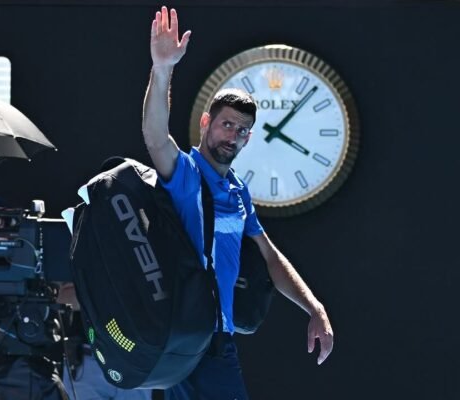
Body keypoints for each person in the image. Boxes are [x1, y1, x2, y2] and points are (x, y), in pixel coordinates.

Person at [142, 6, 335, 399]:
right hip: (185, 336)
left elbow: (270, 258)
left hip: (215, 340)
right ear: (206, 124)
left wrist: (314, 308)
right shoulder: (184, 174)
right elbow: (155, 136)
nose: (233, 135)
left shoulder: (237, 192)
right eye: (227, 124)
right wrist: (162, 69)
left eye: (243, 130)